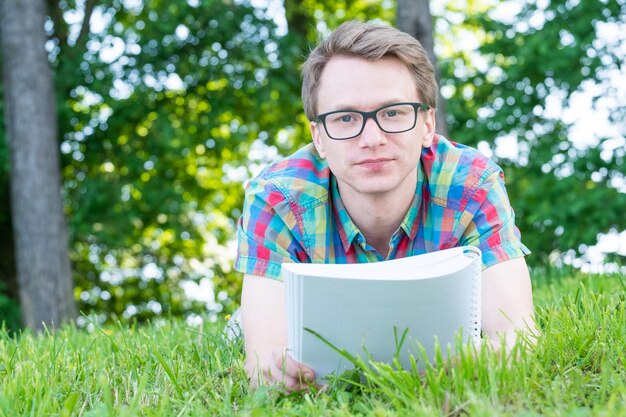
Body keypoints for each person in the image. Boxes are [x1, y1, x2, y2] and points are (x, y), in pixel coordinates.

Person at [234, 20, 536, 390]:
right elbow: (262, 368)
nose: (372, 138)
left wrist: (452, 367)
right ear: (319, 138)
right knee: (239, 329)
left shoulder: (471, 184)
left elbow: (519, 342)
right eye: (345, 118)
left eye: (392, 113)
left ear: (427, 124)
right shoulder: (277, 198)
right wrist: (276, 370)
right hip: (288, 311)